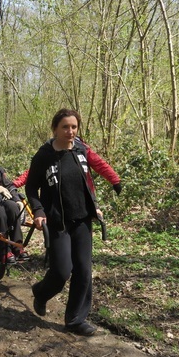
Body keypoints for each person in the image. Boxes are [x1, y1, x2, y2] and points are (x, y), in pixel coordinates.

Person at [26, 109, 121, 336]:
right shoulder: (44, 155)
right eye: (65, 127)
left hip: (82, 219)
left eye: (74, 127)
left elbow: (92, 175)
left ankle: (75, 319)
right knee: (61, 271)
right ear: (55, 129)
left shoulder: (81, 150)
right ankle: (41, 292)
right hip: (57, 221)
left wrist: (102, 195)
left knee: (84, 270)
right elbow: (31, 187)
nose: (70, 132)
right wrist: (38, 211)